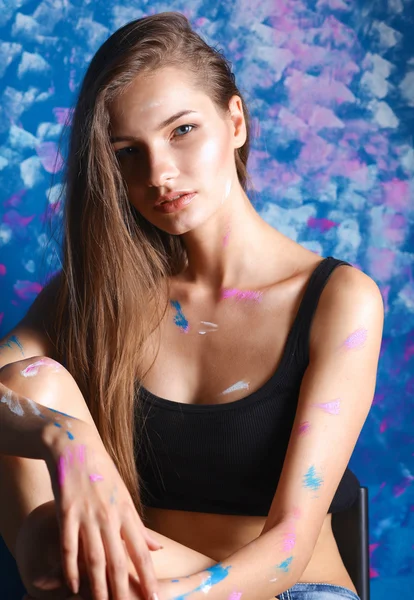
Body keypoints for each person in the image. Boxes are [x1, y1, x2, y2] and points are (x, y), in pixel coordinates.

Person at [0, 11, 384, 600]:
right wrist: (63, 439)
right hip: (130, 583)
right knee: (34, 389)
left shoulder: (338, 300)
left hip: (287, 590)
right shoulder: (97, 297)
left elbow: (291, 543)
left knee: (62, 548)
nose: (159, 174)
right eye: (127, 152)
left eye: (182, 131)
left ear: (235, 122)